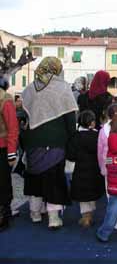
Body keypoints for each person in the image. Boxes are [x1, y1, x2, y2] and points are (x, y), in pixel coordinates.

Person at [21, 57, 78, 229]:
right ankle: (53, 218)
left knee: (34, 177)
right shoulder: (63, 88)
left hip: (32, 141)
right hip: (55, 142)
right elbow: (70, 118)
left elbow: (24, 116)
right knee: (54, 178)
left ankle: (35, 213)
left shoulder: (30, 88)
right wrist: (71, 138)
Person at [66, 110, 105, 227]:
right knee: (92, 193)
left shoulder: (75, 137)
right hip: (95, 170)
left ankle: (85, 216)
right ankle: (90, 215)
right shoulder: (98, 136)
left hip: (79, 171)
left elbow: (70, 155)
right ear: (92, 123)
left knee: (83, 196)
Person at [97, 104, 117, 230]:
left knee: (112, 195)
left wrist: (102, 168)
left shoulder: (103, 130)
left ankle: (115, 222)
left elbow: (100, 151)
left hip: (109, 165)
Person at [0, 75, 19, 231]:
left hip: (2, 148)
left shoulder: (5, 100)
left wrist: (11, 152)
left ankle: (4, 214)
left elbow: (12, 128)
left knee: (3, 182)